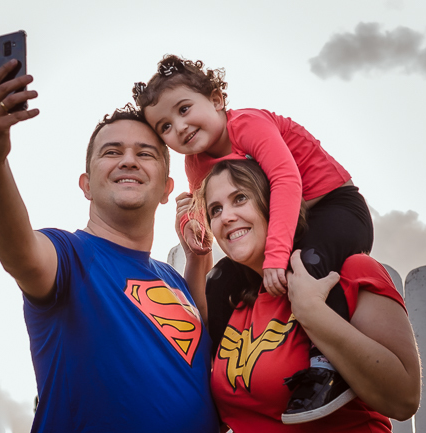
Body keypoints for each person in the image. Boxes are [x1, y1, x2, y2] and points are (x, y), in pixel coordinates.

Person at [0, 60, 218, 433]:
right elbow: (19, 251)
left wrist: (198, 260)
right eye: (112, 152)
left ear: (167, 189)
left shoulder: (173, 279)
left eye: (145, 153)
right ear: (86, 185)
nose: (128, 161)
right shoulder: (69, 255)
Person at [133, 54, 374, 422]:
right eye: (165, 126)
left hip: (333, 208)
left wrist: (277, 255)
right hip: (287, 227)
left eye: (184, 109)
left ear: (216, 100)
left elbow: (286, 180)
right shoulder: (195, 162)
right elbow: (210, 209)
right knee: (219, 281)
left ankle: (326, 369)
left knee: (307, 264)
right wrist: (191, 224)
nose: (179, 127)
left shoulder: (248, 124)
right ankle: (213, 378)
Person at [186, 158, 420, 432]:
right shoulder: (234, 304)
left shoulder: (348, 272)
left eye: (240, 198)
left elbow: (404, 400)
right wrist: (196, 258)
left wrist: (313, 313)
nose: (226, 216)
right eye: (215, 210)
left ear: (275, 204)